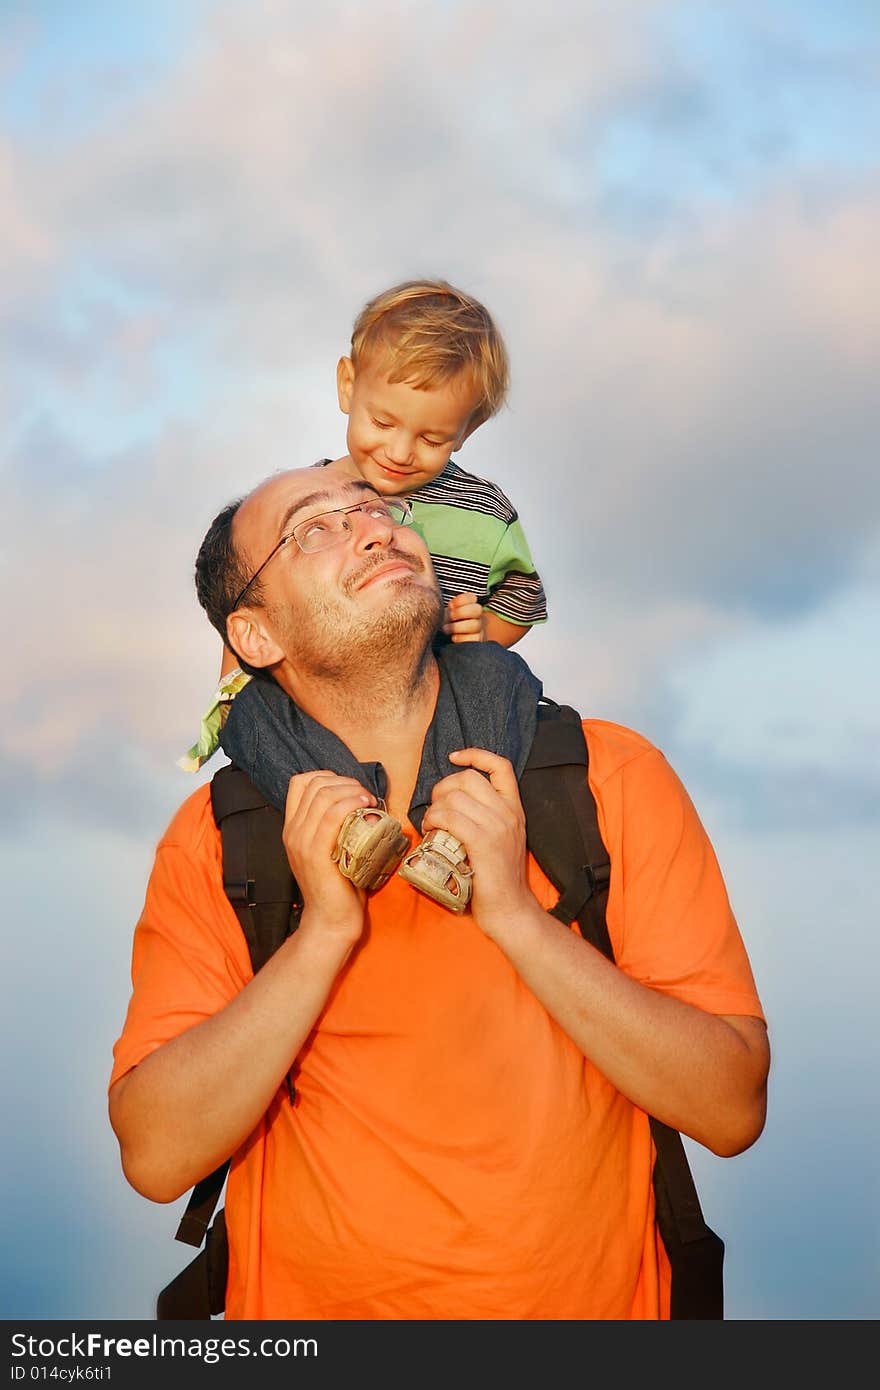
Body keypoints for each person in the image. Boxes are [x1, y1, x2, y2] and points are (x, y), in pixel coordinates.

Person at [109, 467, 770, 1321]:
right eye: (314, 530)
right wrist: (323, 934)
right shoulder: (220, 835)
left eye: (376, 511)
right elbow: (157, 1157)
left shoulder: (606, 777)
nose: (376, 530)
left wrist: (516, 918)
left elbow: (730, 1106)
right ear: (255, 634)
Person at [179, 278, 547, 772]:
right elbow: (256, 593)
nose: (399, 452)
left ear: (467, 429)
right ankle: (350, 825)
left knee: (496, 678)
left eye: (431, 437)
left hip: (440, 699)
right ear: (348, 387)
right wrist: (236, 687)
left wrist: (481, 634)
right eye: (383, 422)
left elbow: (522, 599)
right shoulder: (310, 502)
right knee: (257, 713)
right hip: (328, 702)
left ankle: (457, 823)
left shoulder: (485, 513)